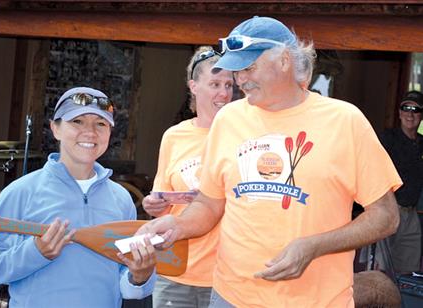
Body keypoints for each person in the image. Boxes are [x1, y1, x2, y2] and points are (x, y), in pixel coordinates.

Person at [137, 16, 401, 307]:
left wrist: (314, 246)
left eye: (249, 68)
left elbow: (385, 217)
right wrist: (178, 224)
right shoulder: (229, 119)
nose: (240, 80)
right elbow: (210, 204)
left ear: (285, 60)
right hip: (231, 297)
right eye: (237, 71)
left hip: (317, 301)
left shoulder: (345, 121)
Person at [0, 87, 157, 307]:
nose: (90, 132)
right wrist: (35, 253)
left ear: (109, 133)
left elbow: (124, 280)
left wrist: (140, 277)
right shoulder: (22, 191)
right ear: (55, 129)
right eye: (77, 121)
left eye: (101, 124)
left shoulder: (121, 199)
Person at [142, 46, 234, 307]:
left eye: (229, 84)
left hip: (226, 276)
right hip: (175, 270)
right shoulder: (174, 136)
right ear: (194, 86)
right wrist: (154, 205)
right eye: (215, 83)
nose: (224, 93)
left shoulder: (241, 135)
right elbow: (162, 204)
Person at [379, 90, 423, 274]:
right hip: (387, 209)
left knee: (408, 273)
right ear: (399, 112)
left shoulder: (422, 143)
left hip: (411, 213)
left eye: (415, 109)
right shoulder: (387, 138)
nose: (410, 114)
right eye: (406, 108)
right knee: (380, 271)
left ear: (421, 115)